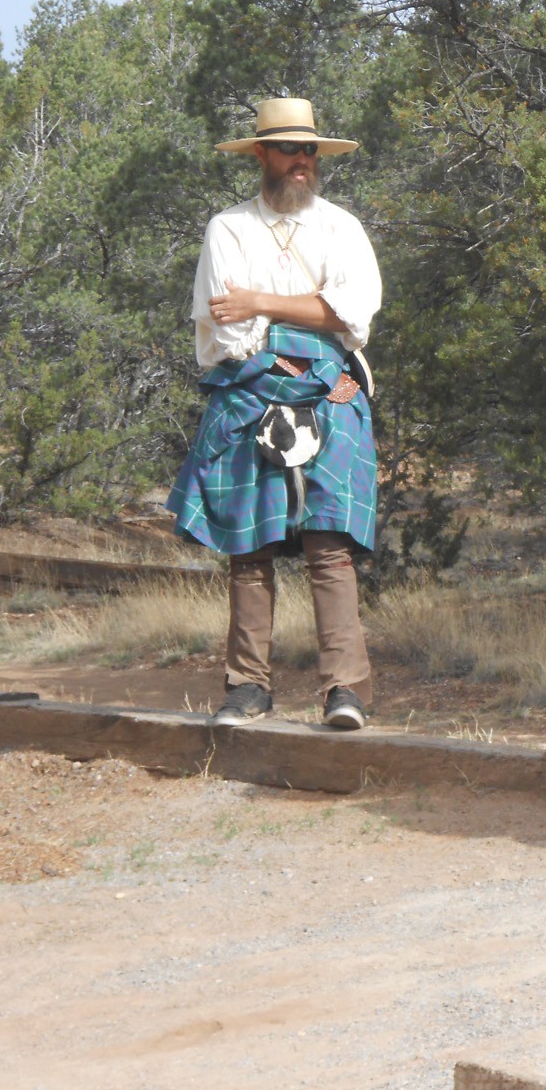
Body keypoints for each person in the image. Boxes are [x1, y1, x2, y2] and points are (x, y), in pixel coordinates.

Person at [165, 98, 381, 730]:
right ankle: (247, 688)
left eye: (309, 149)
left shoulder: (342, 228)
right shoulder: (228, 228)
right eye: (288, 149)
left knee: (328, 541)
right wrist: (309, 310)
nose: (301, 161)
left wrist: (261, 300)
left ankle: (345, 690)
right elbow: (230, 332)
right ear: (261, 153)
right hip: (247, 387)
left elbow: (351, 314)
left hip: (334, 386)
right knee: (249, 545)